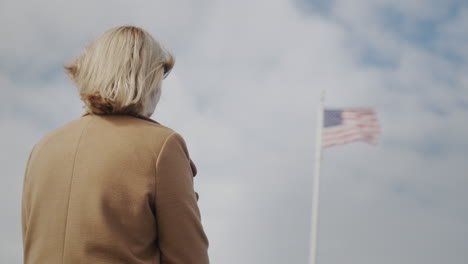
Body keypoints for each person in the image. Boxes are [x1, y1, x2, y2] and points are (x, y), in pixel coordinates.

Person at [21, 25, 210, 264]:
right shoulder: (163, 146)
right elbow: (188, 258)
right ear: (146, 79)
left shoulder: (42, 149)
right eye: (158, 78)